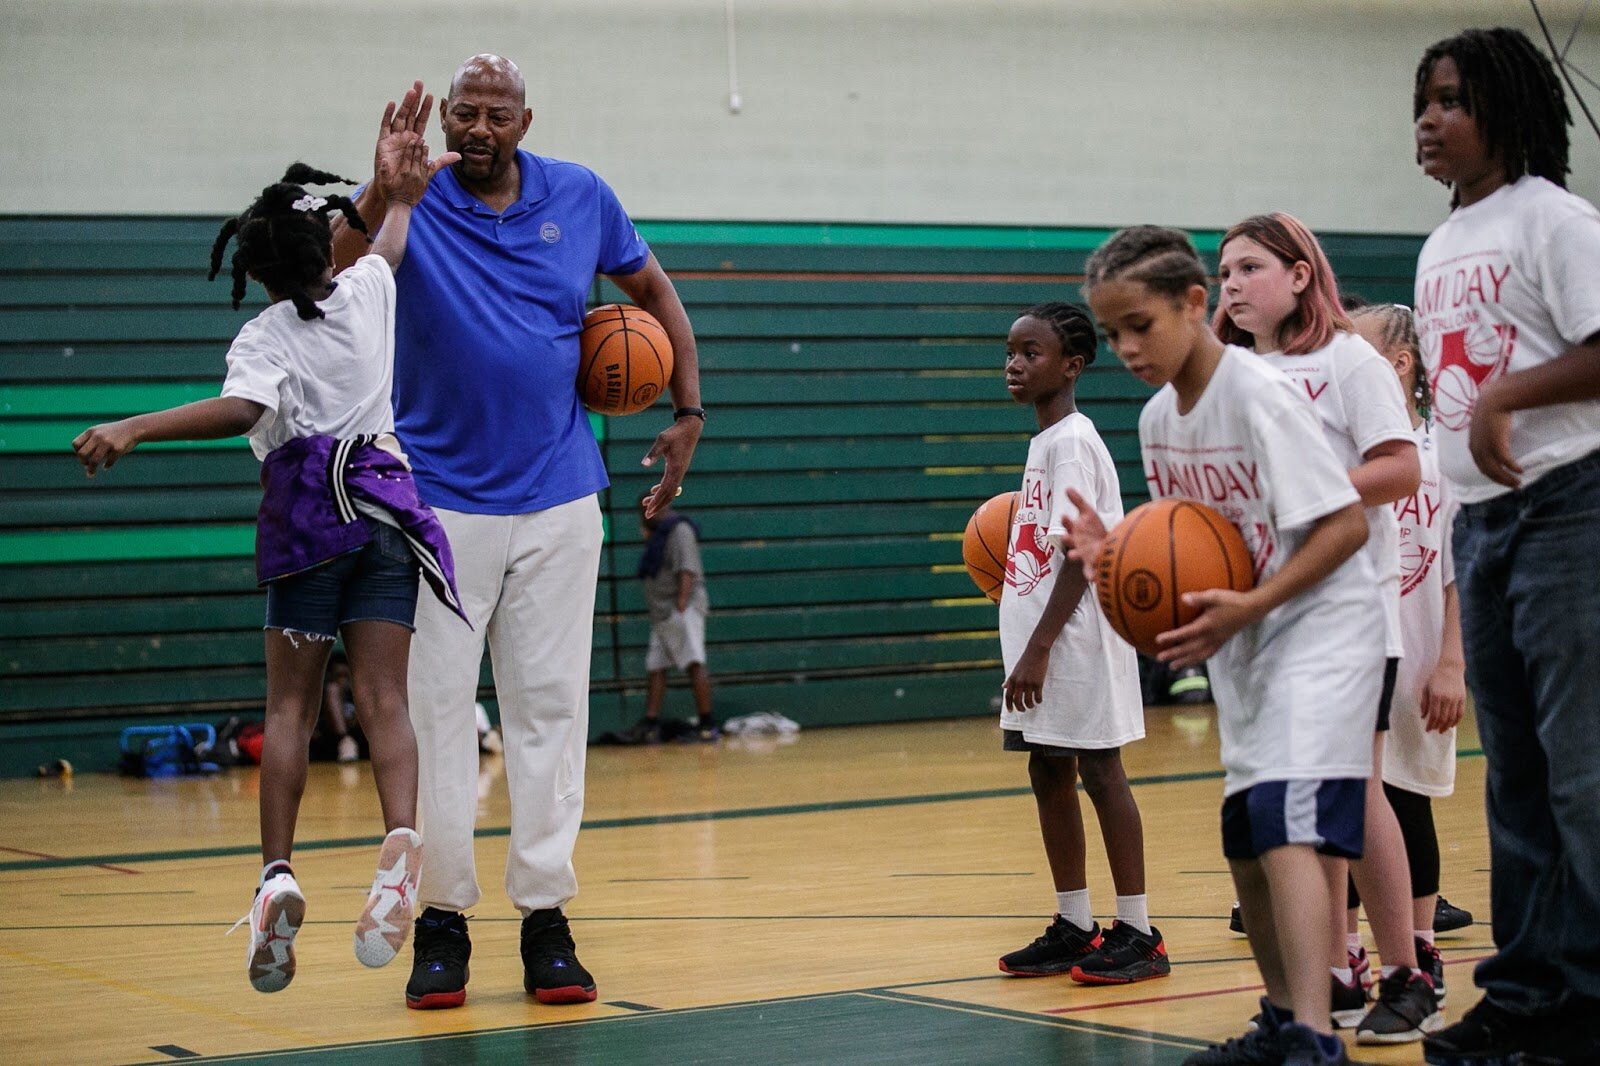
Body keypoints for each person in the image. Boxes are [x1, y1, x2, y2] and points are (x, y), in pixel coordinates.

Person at [329, 57, 703, 1010]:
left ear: (525, 120)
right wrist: (381, 184)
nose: (479, 128)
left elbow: (656, 294)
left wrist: (689, 410)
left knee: (549, 714)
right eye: (465, 114)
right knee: (438, 720)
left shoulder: (582, 196)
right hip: (437, 503)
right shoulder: (411, 199)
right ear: (446, 121)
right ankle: (444, 924)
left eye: (496, 114)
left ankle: (546, 921)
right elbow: (334, 274)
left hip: (560, 495)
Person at [71, 134, 461, 992]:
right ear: (325, 251)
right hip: (390, 509)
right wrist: (403, 189)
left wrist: (135, 426)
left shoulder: (265, 335)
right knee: (385, 697)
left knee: (289, 708)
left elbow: (240, 409)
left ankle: (277, 875)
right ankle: (400, 840)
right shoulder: (368, 292)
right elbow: (391, 233)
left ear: (260, 271)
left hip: (311, 519)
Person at [1068, 225, 1382, 1066]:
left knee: (1284, 825)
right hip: (1249, 642)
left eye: (1141, 325)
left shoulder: (1258, 395)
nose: (1128, 348)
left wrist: (1251, 606)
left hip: (1324, 633)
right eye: (1112, 335)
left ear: (1195, 304)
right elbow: (1191, 544)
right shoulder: (1155, 419)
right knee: (1244, 835)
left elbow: (1346, 523)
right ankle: (1283, 1018)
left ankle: (1317, 1037)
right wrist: (1113, 558)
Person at [1411, 28, 1600, 1065]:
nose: (1427, 121)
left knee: (1582, 775)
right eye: (1422, 102)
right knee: (1515, 777)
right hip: (1481, 522)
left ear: (1508, 109)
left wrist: (1507, 395)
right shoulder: (1442, 240)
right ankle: (1530, 992)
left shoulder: (1556, 220)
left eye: (1450, 99)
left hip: (1569, 509)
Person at [1214, 213, 1438, 1044]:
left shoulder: (1347, 360)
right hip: (1264, 625)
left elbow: (1401, 466)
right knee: (1282, 807)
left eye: (1249, 268)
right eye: (1224, 270)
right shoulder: (1233, 374)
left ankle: (1409, 971)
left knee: (1359, 792)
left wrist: (1309, 485)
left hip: (1349, 616)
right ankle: (1328, 977)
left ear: (1301, 274)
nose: (1232, 283)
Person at [992, 302, 1166, 986]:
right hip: (1042, 640)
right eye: (1010, 350)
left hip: (1075, 641)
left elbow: (1075, 557)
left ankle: (1140, 930)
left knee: (1101, 772)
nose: (1014, 363)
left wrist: (1037, 647)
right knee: (1047, 772)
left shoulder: (1071, 440)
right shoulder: (1045, 442)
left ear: (1072, 365)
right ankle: (1074, 922)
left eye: (1030, 353)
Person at [1347, 302, 1469, 1008]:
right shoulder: (1350, 451)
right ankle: (1354, 949)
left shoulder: (1439, 454)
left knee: (1404, 799)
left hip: (1421, 652)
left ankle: (1419, 947)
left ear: (1399, 365)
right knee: (1353, 801)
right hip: (1359, 644)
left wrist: (1452, 661)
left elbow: (1458, 569)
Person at [618, 497, 715, 743]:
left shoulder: (680, 529)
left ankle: (707, 723)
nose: (642, 518)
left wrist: (682, 606)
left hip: (681, 609)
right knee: (656, 665)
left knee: (693, 661)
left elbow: (687, 569)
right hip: (662, 614)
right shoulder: (660, 534)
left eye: (645, 511)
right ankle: (651, 722)